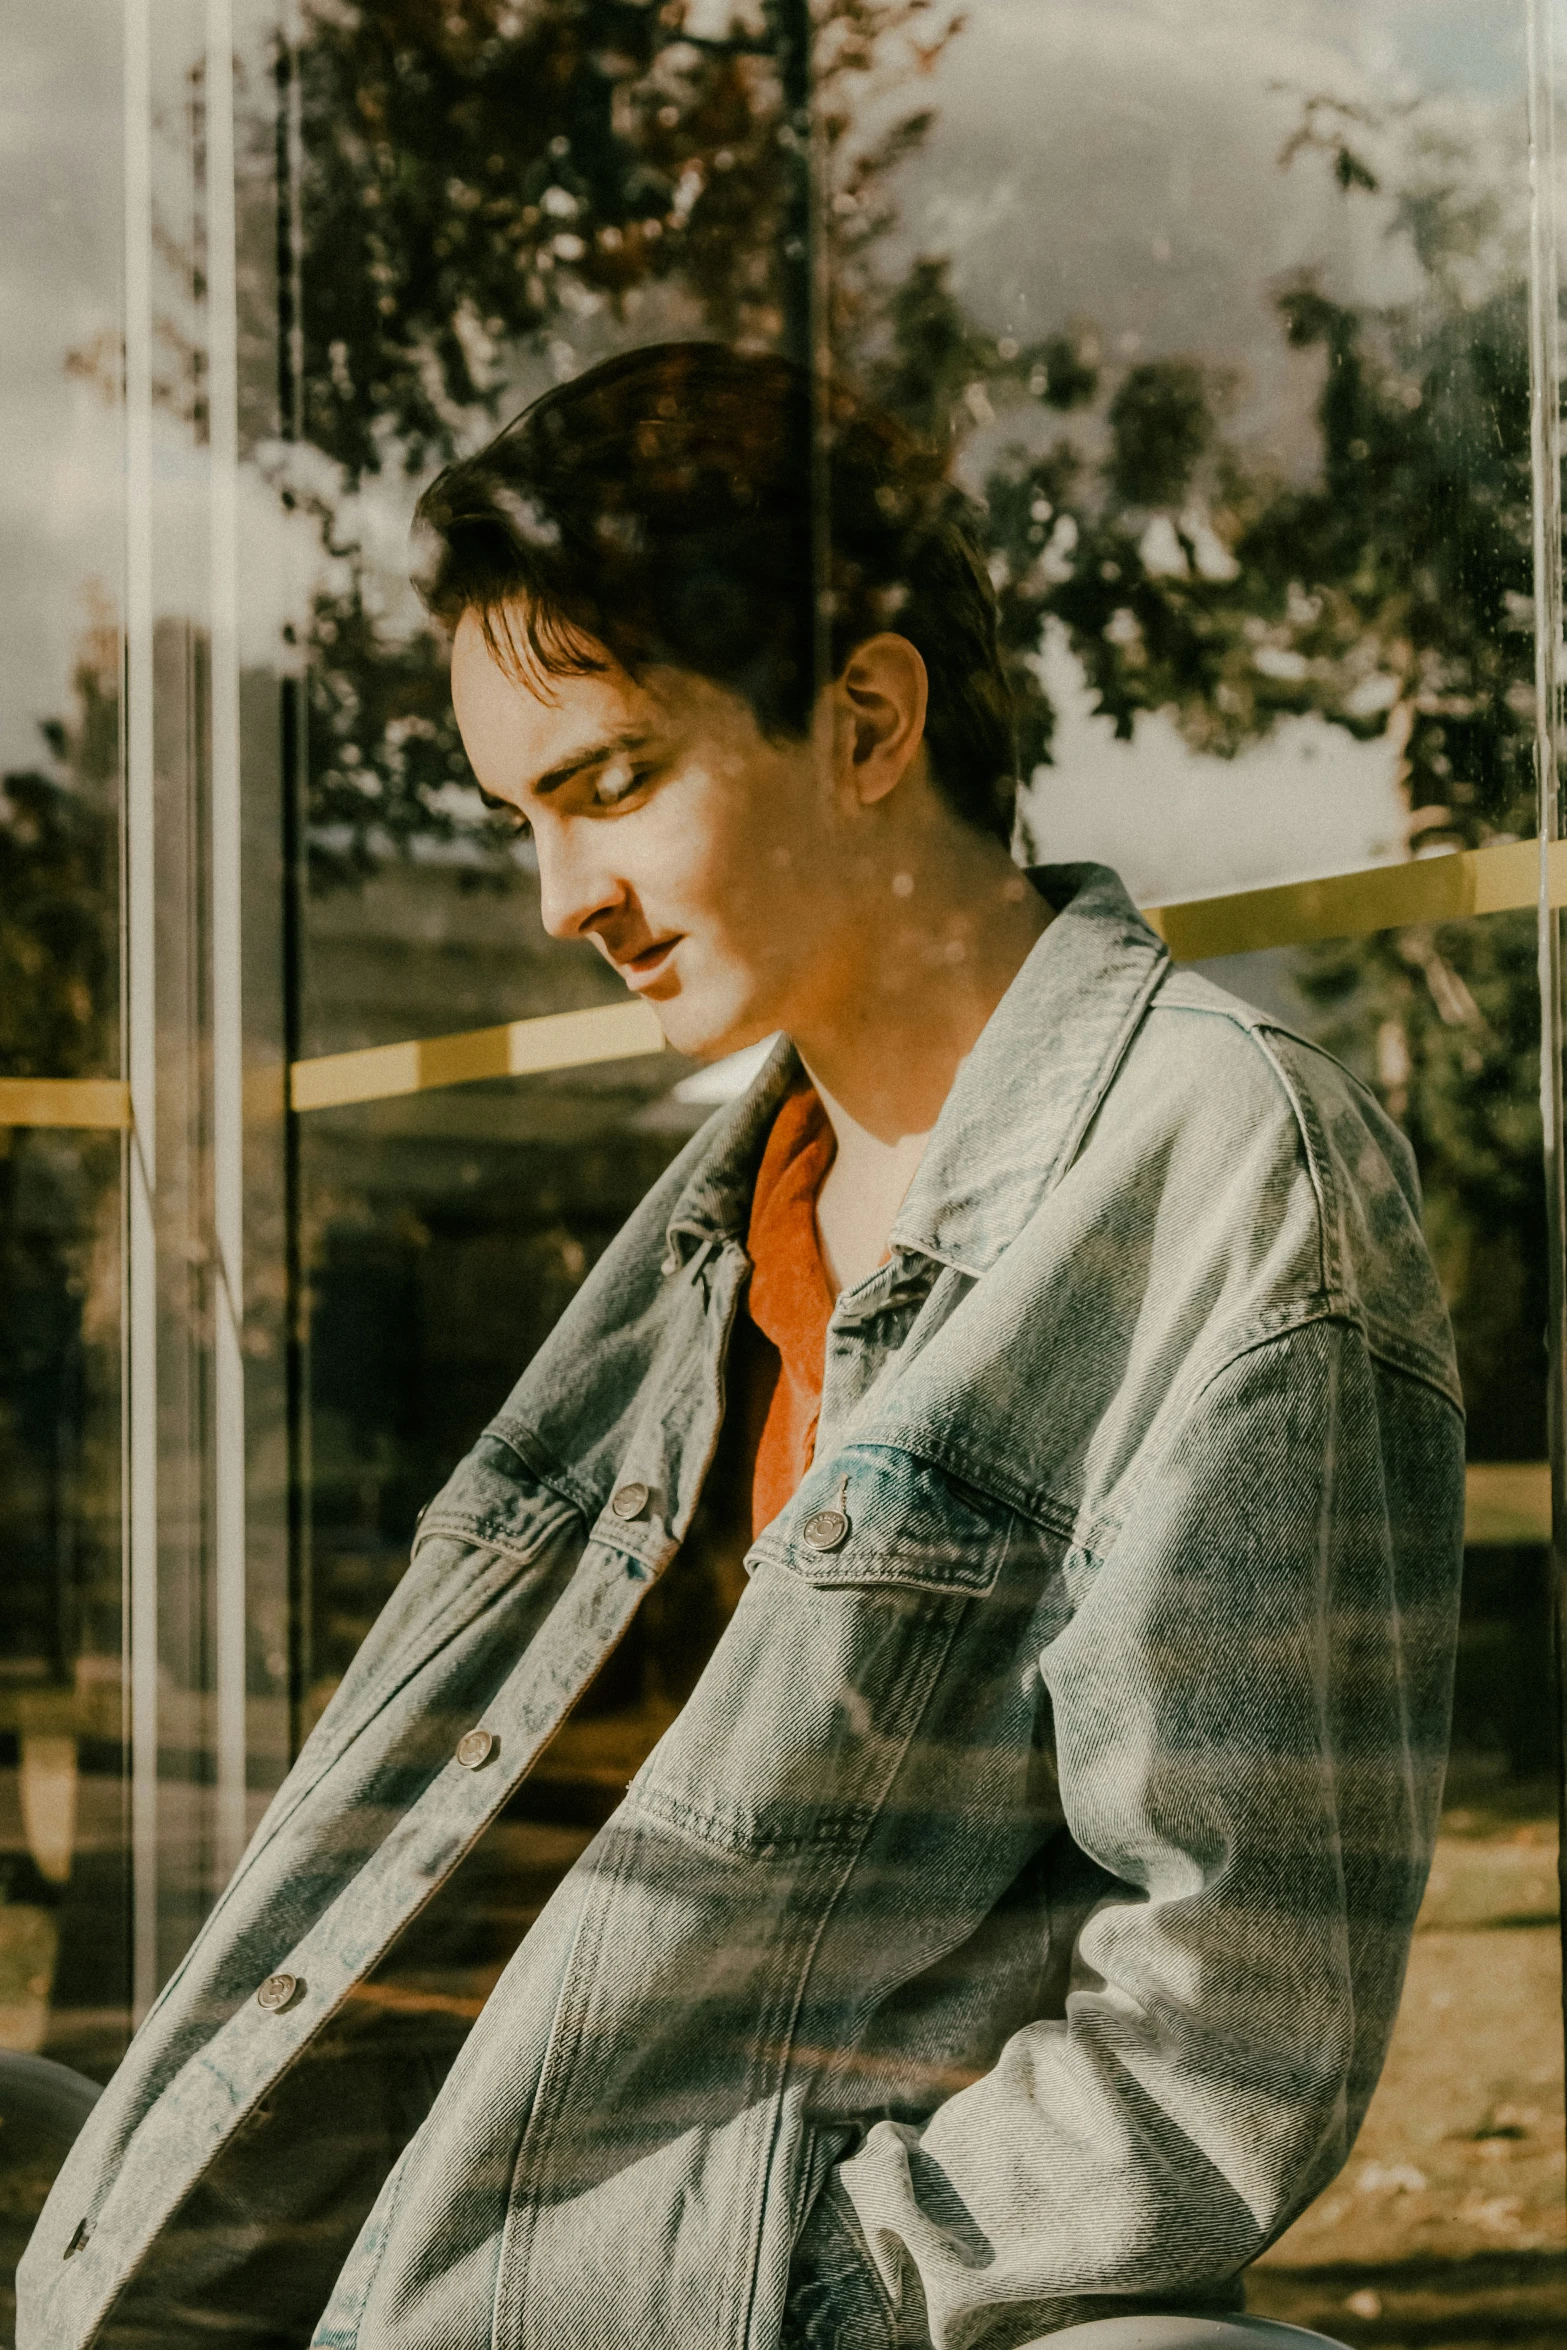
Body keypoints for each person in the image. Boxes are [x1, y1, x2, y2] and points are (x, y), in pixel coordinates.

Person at [22, 341, 1466, 2350]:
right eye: (517, 814)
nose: (555, 896)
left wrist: (694, 2291)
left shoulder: (1227, 1175)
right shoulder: (725, 1208)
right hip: (340, 2235)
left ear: (869, 718)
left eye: (608, 784)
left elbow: (1220, 2036)